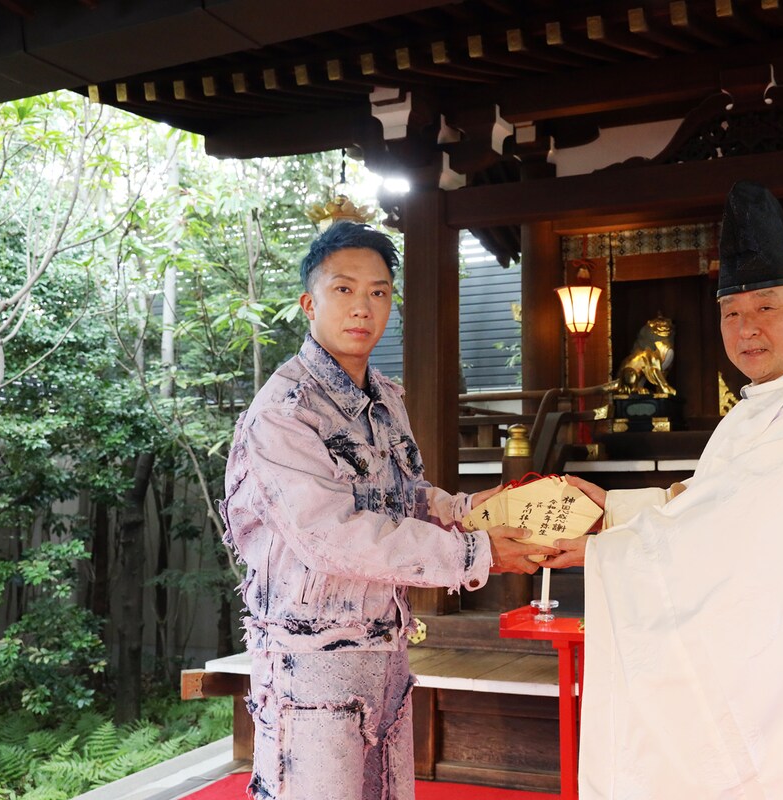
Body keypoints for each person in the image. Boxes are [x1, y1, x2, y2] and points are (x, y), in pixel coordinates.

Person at [544, 182, 783, 799]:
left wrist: (602, 550)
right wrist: (609, 509)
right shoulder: (758, 408)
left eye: (766, 307)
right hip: (770, 665)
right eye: (731, 312)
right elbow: (709, 503)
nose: (747, 329)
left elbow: (729, 536)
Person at [220, 221, 555, 800]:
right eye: (344, 290)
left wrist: (471, 510)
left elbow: (406, 495)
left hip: (386, 649)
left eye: (378, 292)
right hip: (311, 658)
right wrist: (475, 552)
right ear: (309, 303)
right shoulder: (284, 410)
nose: (363, 307)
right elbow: (330, 535)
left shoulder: (385, 396)